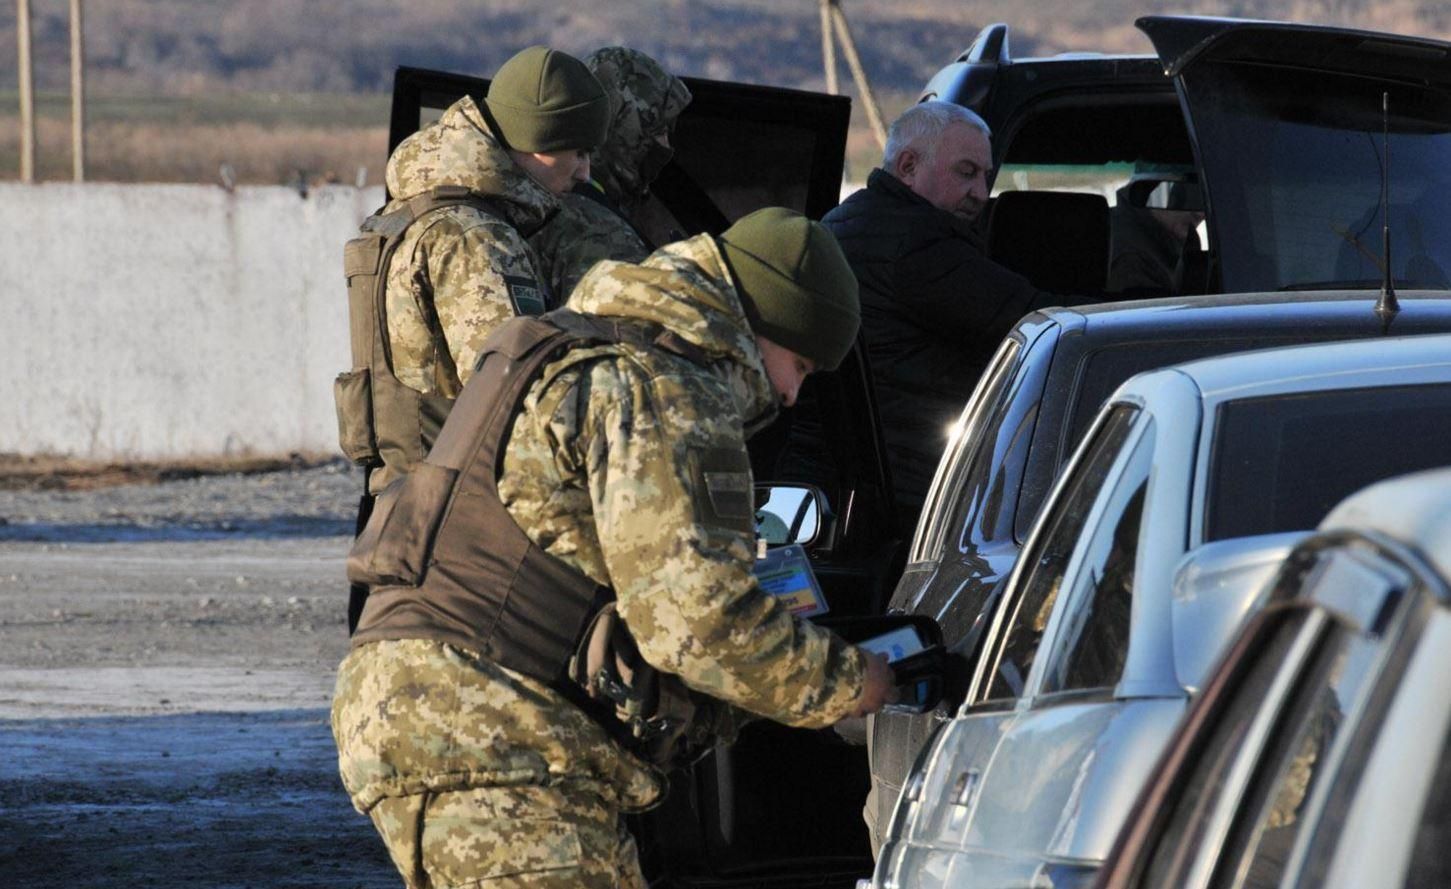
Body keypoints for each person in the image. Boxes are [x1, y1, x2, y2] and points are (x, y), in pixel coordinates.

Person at [332, 207, 898, 888]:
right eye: (798, 364)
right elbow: (695, 622)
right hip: (499, 731)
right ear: (758, 326)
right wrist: (850, 682)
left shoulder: (568, 347)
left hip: (422, 710)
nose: (788, 391)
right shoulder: (667, 386)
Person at [337, 45, 610, 495]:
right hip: (458, 509)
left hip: (408, 499)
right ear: (534, 142)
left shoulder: (417, 212)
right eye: (577, 151)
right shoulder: (475, 236)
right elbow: (516, 396)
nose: (585, 173)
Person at [819, 100, 1073, 531]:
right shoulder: (918, 243)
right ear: (908, 166)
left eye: (986, 176)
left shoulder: (841, 222)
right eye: (966, 171)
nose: (981, 192)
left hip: (845, 480)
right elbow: (1040, 322)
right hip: (914, 495)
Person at [529, 46, 692, 300]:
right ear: (627, 129)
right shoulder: (601, 234)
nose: (667, 144)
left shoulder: (542, 202)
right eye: (660, 129)